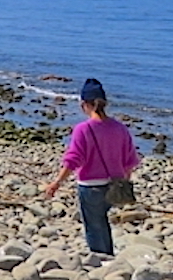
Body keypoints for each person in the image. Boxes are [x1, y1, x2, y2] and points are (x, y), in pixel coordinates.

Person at [43, 78, 140, 257]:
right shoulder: (120, 128)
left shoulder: (83, 129)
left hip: (90, 186)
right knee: (103, 222)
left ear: (84, 105)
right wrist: (124, 181)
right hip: (114, 184)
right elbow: (130, 160)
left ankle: (101, 259)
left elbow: (73, 160)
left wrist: (56, 183)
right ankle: (109, 256)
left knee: (94, 225)